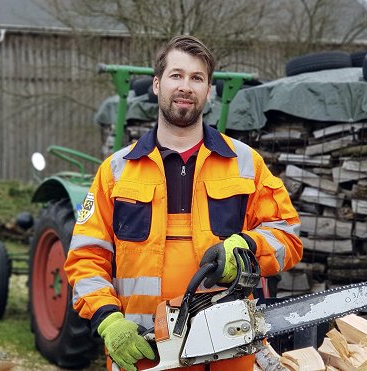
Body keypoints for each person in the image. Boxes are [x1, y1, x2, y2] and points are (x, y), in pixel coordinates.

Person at [65, 35, 303, 371]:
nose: (185, 87)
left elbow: (287, 236)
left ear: (208, 91)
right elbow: (86, 258)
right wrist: (108, 320)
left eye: (197, 78)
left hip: (228, 353)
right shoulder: (116, 172)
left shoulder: (246, 164)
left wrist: (247, 246)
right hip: (144, 352)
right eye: (176, 75)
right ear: (157, 84)